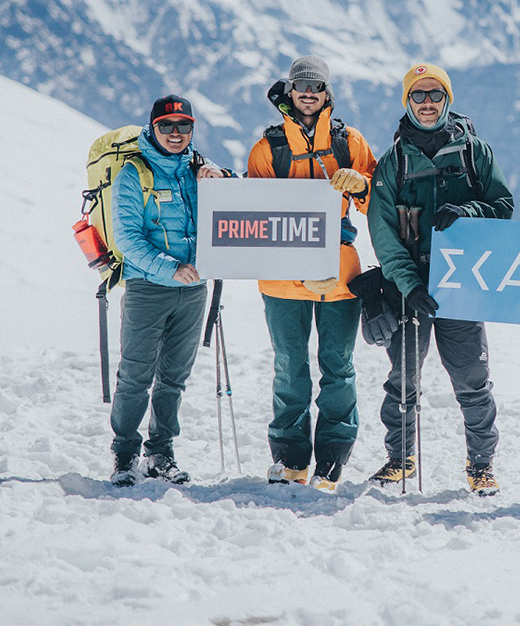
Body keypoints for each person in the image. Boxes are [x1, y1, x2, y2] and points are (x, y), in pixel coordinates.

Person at [367, 62, 514, 495]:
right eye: (418, 95)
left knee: (471, 377)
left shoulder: (475, 153)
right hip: (409, 286)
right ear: (407, 101)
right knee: (403, 377)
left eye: (434, 94)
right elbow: (383, 232)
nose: (427, 103)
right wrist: (408, 285)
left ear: (447, 98)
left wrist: (469, 212)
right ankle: (399, 459)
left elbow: (502, 205)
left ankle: (481, 464)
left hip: (462, 283)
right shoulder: (392, 162)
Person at [247, 56, 378, 491]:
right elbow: (254, 216)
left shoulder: (350, 142)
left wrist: (361, 185)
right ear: (289, 91)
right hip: (283, 279)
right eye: (300, 85)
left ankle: (333, 458)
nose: (308, 92)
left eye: (316, 85)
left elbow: (380, 197)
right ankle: (290, 457)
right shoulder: (267, 147)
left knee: (338, 366)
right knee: (290, 366)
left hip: (339, 276)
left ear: (327, 93)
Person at [109, 94, 231, 486]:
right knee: (135, 375)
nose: (176, 133)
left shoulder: (198, 168)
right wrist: (170, 268)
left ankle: (160, 452)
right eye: (167, 126)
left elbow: (233, 207)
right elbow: (127, 237)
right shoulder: (134, 172)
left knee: (174, 376)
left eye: (184, 126)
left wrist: (224, 179)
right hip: (148, 287)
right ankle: (125, 453)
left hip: (193, 290)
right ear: (153, 128)